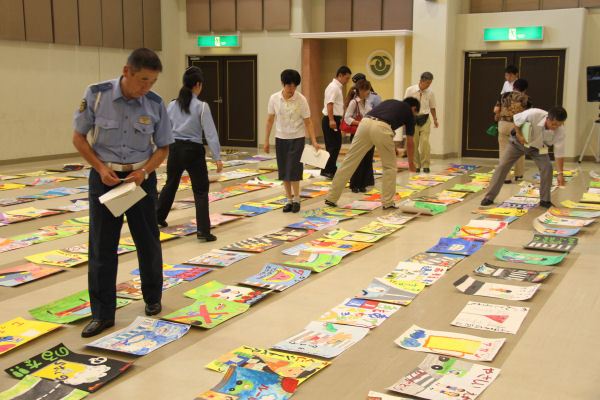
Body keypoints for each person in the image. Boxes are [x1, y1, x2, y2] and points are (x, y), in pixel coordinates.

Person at [72, 48, 174, 337]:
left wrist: (145, 172)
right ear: (127, 71)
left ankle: (152, 298)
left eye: (152, 81)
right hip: (104, 178)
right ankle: (102, 314)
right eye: (143, 80)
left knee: (148, 241)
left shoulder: (154, 103)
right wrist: (99, 167)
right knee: (102, 247)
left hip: (139, 179)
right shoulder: (97, 95)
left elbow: (163, 147)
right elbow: (79, 137)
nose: (146, 87)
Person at [155, 66, 223, 241]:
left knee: (171, 184)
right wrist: (217, 157)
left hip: (175, 149)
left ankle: (158, 217)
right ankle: (203, 231)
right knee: (200, 190)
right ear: (198, 85)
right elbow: (211, 133)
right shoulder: (202, 106)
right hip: (193, 151)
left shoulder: (172, 104)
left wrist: (157, 151)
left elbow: (164, 129)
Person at [325, 98, 420, 209]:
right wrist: (411, 163)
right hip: (382, 128)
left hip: (365, 123)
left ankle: (331, 197)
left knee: (349, 162)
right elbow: (409, 142)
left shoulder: (390, 102)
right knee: (390, 167)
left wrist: (392, 146)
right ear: (414, 108)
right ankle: (388, 202)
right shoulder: (409, 113)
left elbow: (384, 122)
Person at [480, 106, 568, 209]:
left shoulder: (560, 131)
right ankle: (489, 197)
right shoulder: (534, 114)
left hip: (538, 148)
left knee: (547, 167)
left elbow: (559, 153)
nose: (555, 127)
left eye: (559, 125)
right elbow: (516, 120)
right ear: (548, 118)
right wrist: (519, 135)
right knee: (503, 166)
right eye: (553, 124)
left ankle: (545, 200)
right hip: (517, 143)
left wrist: (560, 174)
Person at [264, 69, 320, 213]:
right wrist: (266, 140)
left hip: (297, 138)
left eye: (295, 86)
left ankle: (297, 199)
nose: (292, 89)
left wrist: (314, 141)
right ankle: (288, 200)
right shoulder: (274, 98)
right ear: (282, 84)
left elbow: (308, 121)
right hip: (281, 138)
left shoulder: (301, 99)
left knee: (294, 169)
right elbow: (270, 120)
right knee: (284, 170)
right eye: (289, 86)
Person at [493, 78, 531, 183]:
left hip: (503, 125)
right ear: (525, 90)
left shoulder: (503, 95)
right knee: (520, 150)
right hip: (518, 127)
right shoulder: (526, 98)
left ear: (513, 87)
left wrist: (498, 115)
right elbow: (529, 114)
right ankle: (519, 174)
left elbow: (496, 109)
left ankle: (506, 177)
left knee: (503, 151)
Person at [343, 79, 374, 192]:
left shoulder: (368, 102)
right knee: (357, 160)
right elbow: (347, 118)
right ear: (361, 90)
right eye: (367, 89)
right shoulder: (354, 102)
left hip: (368, 133)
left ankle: (363, 184)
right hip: (357, 134)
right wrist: (359, 123)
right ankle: (355, 184)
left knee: (367, 160)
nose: (369, 92)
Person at [321, 66, 352, 179]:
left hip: (335, 119)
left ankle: (330, 168)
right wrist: (331, 119)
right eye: (346, 78)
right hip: (331, 119)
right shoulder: (333, 87)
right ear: (340, 75)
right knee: (333, 146)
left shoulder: (337, 87)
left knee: (335, 145)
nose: (347, 81)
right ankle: (327, 170)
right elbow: (330, 104)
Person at [404, 72, 438, 173]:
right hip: (413, 119)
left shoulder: (430, 92)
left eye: (430, 83)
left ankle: (426, 165)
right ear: (421, 81)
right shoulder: (410, 90)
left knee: (425, 142)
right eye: (427, 83)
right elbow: (405, 105)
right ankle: (416, 165)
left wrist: (435, 119)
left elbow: (432, 107)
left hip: (425, 119)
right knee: (414, 142)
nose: (428, 85)